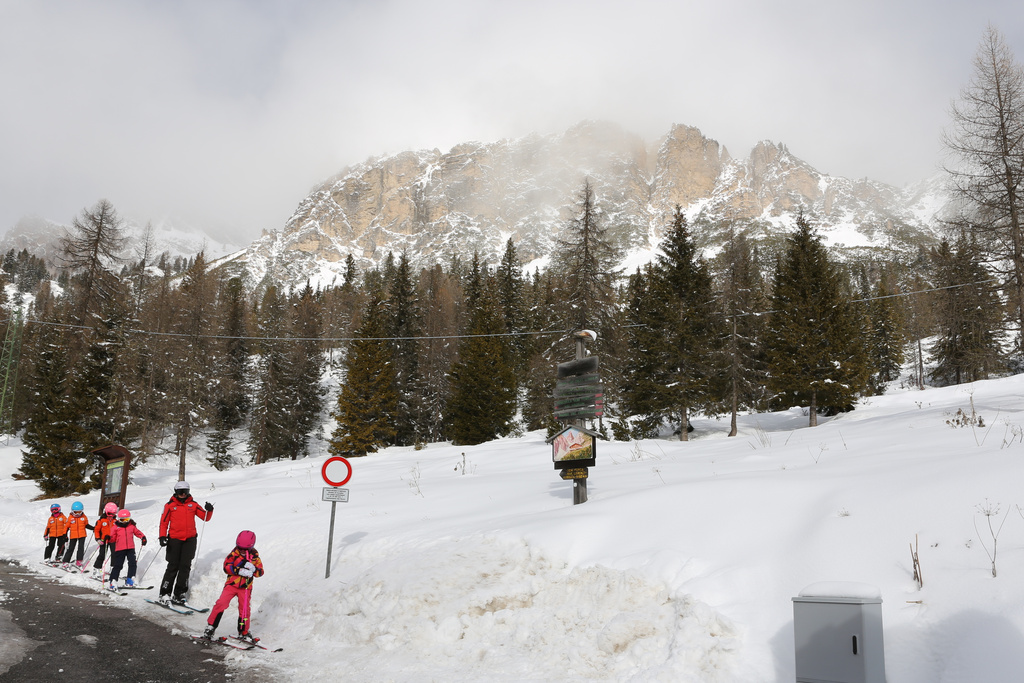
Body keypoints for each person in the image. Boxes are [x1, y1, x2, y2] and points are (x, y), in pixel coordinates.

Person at [202, 530, 264, 643]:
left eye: (244, 549)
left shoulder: (255, 558)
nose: (242, 551)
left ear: (251, 547)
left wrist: (254, 569)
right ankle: (210, 627)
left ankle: (243, 631)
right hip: (231, 585)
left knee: (244, 609)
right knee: (221, 604)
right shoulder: (233, 555)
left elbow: (260, 572)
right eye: (239, 548)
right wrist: (238, 570)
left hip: (245, 588)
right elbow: (226, 567)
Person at [158, 480, 213, 606]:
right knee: (173, 566)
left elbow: (205, 517)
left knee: (185, 567)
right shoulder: (170, 505)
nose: (183, 494)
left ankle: (179, 593)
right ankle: (165, 593)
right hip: (175, 539)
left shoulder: (193, 505)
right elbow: (164, 522)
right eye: (180, 492)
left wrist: (209, 510)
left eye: (185, 492)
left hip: (190, 540)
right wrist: (162, 536)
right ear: (176, 492)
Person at [107, 509, 147, 590]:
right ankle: (113, 581)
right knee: (118, 565)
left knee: (133, 563)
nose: (125, 522)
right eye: (122, 520)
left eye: (127, 519)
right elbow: (112, 539)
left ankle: (130, 579)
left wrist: (143, 537)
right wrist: (108, 538)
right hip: (120, 549)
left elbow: (137, 532)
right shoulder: (115, 527)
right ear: (118, 519)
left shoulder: (131, 526)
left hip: (130, 548)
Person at [90, 502, 118, 576]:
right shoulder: (101, 521)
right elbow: (96, 530)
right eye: (110, 513)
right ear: (106, 512)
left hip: (113, 540)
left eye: (113, 514)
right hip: (103, 540)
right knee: (102, 554)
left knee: (114, 554)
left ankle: (113, 569)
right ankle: (96, 568)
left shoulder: (115, 521)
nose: (111, 516)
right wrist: (98, 539)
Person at [61, 501, 89, 568]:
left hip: (82, 535)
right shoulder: (70, 518)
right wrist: (64, 534)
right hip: (73, 535)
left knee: (81, 548)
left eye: (79, 512)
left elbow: (86, 525)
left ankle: (79, 561)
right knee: (71, 548)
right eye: (75, 512)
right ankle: (65, 561)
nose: (77, 514)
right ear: (72, 511)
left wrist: (93, 528)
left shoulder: (84, 517)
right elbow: (66, 527)